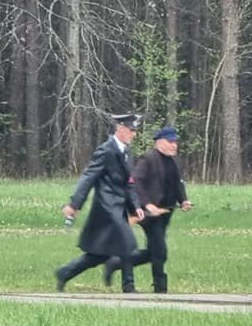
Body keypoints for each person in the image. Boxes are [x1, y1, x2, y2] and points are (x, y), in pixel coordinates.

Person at [55, 114, 146, 292]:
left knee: (98, 255)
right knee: (128, 244)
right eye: (131, 130)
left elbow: (129, 181)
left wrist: (135, 205)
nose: (134, 134)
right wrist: (74, 204)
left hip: (119, 208)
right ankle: (129, 286)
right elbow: (88, 177)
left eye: (135, 130)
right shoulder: (106, 150)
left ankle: (65, 272)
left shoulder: (126, 152)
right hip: (106, 208)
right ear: (120, 129)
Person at [128, 126, 193, 293]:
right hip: (150, 214)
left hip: (166, 213)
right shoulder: (148, 159)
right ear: (159, 143)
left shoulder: (172, 162)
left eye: (175, 142)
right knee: (160, 251)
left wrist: (184, 200)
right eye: (170, 142)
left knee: (153, 251)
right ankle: (160, 289)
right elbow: (136, 182)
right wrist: (148, 204)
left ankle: (119, 262)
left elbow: (177, 183)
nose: (174, 145)